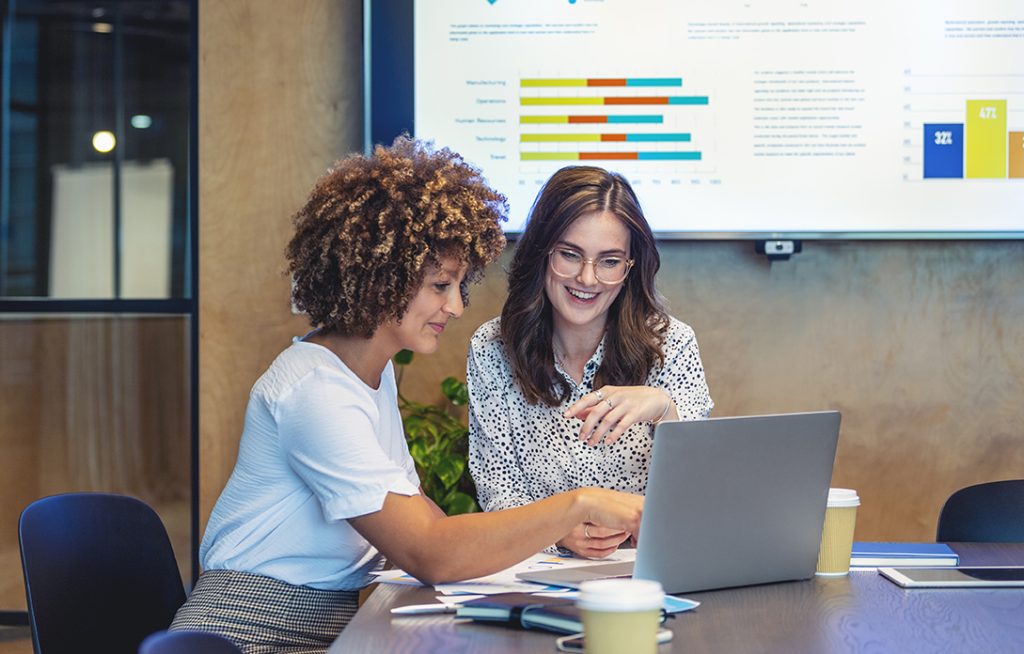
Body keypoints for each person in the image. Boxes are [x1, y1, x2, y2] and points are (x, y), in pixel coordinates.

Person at [170, 139, 644, 654]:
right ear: (381, 278)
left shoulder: (369, 374)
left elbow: (428, 524)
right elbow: (428, 551)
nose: (456, 307)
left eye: (458, 286)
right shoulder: (314, 393)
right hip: (247, 632)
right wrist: (580, 504)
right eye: (440, 285)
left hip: (327, 624)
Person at [467, 165, 713, 560]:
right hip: (536, 573)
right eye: (570, 254)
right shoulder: (492, 348)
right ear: (541, 252)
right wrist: (558, 533)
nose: (587, 278)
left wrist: (665, 409)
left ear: (630, 268)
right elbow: (497, 488)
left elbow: (701, 490)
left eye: (609, 261)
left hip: (648, 571)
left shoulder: (672, 343)